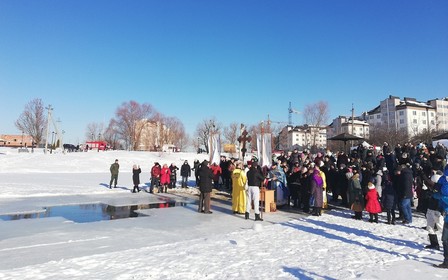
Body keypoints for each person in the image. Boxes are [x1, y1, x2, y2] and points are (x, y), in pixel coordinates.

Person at [433, 165, 448, 268]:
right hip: (447, 216)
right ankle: (446, 261)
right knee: (445, 239)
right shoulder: (443, 180)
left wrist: (441, 197)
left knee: (445, 239)